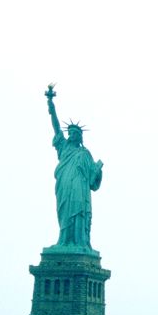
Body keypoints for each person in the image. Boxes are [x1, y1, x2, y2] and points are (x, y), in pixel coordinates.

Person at [45, 84, 103, 249]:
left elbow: (93, 180)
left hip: (79, 187)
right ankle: (63, 240)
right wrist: (51, 105)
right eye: (69, 132)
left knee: (78, 212)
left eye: (74, 133)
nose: (70, 135)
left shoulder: (85, 154)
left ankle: (79, 242)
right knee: (64, 212)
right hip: (64, 185)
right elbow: (56, 127)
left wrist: (98, 170)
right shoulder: (63, 147)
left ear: (79, 137)